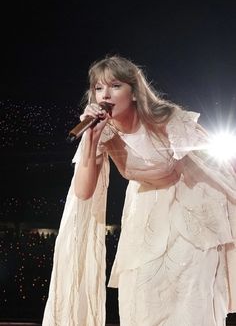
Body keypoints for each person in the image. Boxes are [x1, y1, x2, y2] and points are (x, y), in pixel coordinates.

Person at [42, 55, 236, 326]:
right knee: (141, 296)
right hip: (146, 209)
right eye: (98, 88)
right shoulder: (102, 131)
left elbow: (221, 161)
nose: (105, 95)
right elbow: (84, 192)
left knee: (190, 297)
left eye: (115, 86)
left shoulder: (166, 118)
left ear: (134, 92)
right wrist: (90, 140)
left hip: (191, 204)